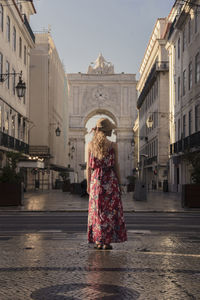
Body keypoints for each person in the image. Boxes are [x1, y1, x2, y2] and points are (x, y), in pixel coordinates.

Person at [86, 118, 127, 250]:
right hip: (110, 180)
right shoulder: (113, 145)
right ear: (107, 131)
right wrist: (119, 184)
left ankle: (98, 240)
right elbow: (116, 166)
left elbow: (88, 167)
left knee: (97, 211)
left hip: (96, 181)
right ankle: (107, 242)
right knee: (110, 211)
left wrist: (88, 185)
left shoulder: (90, 145)